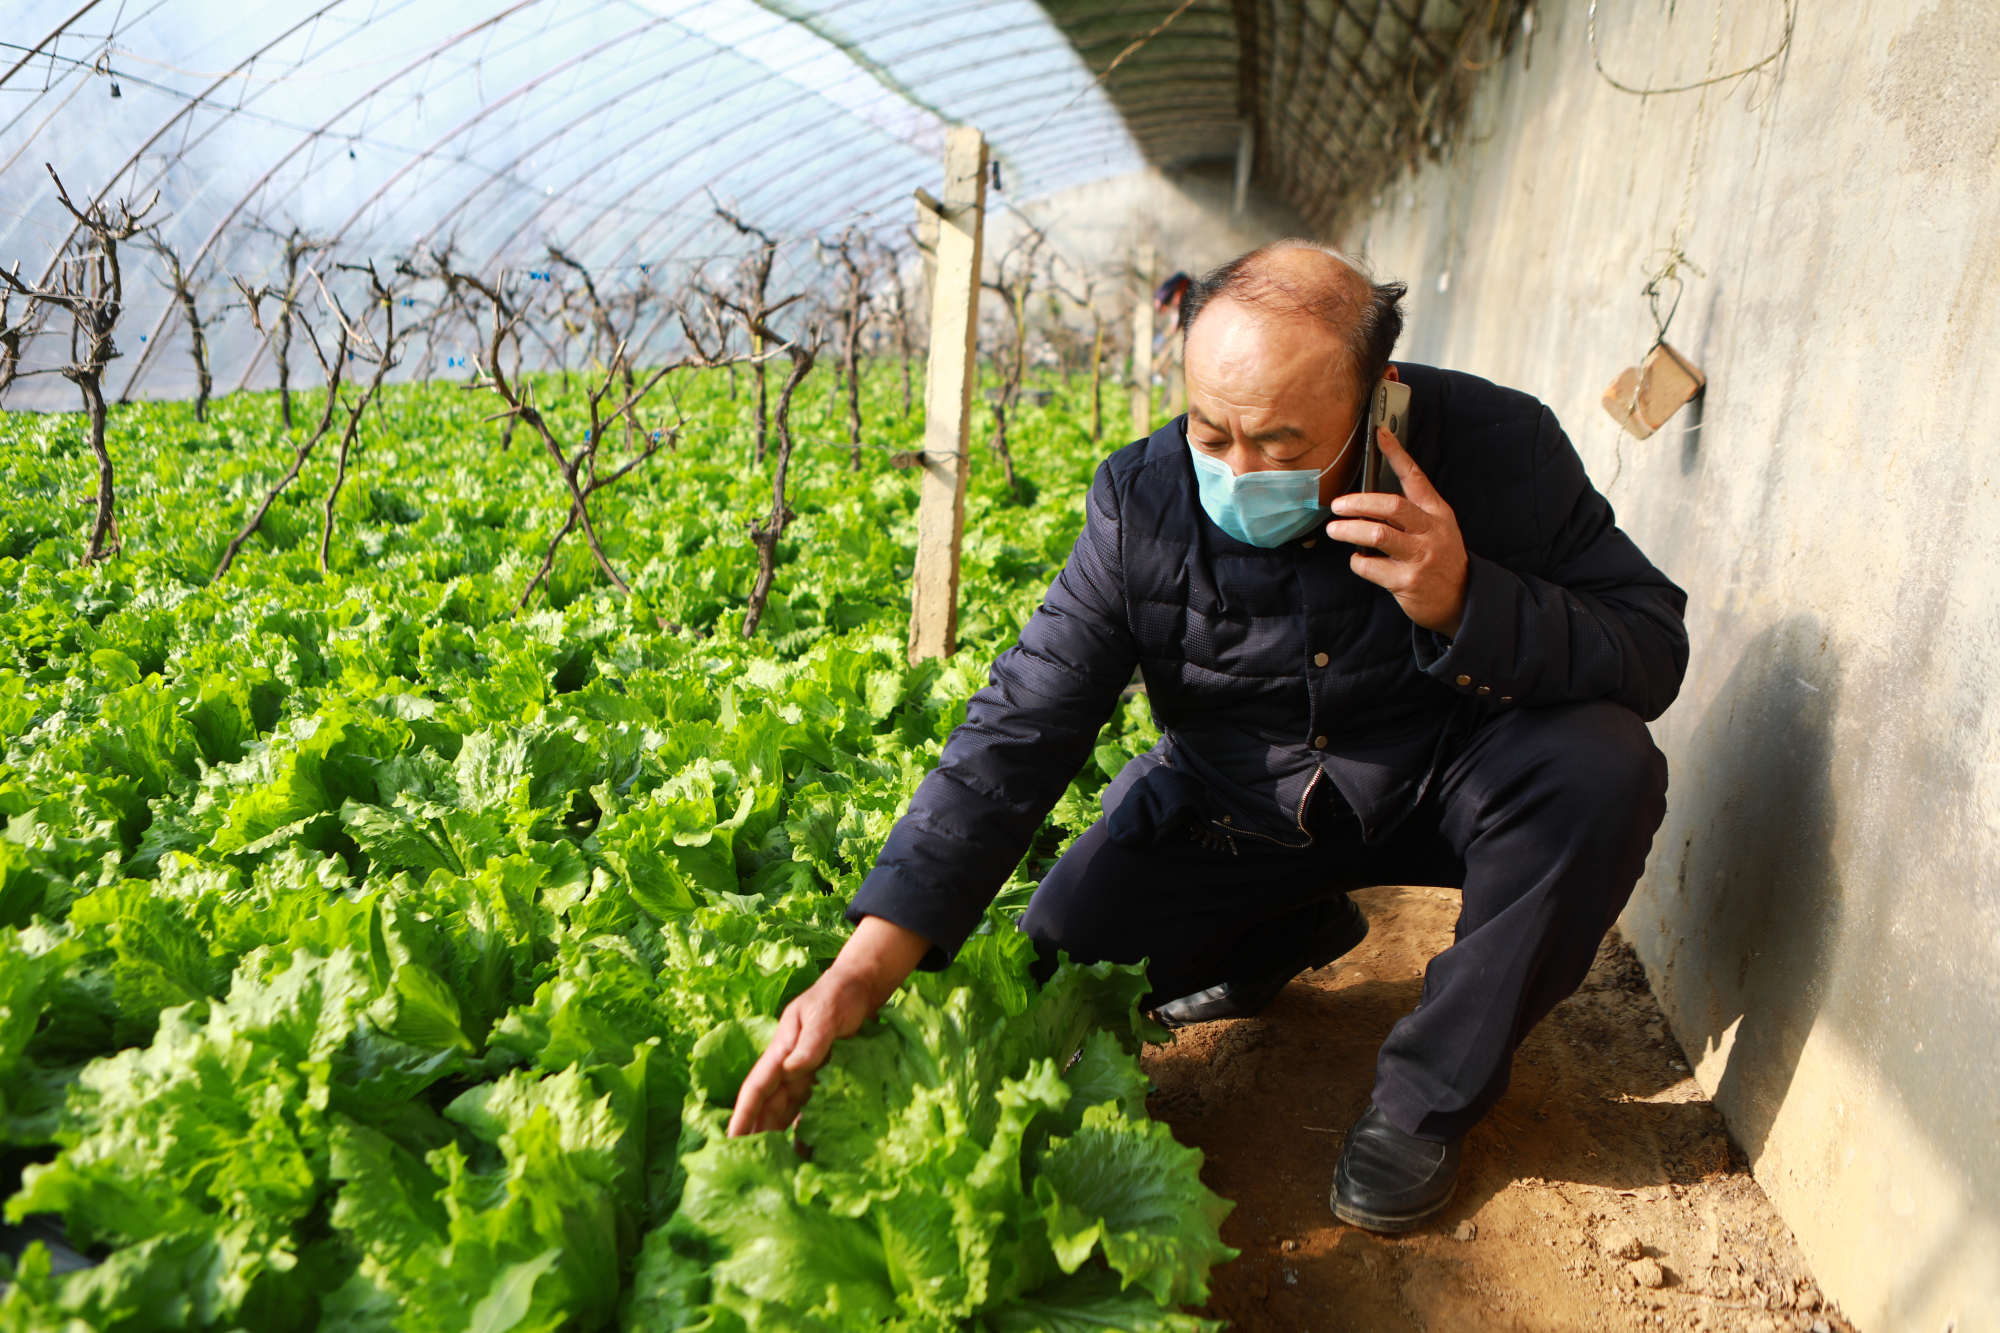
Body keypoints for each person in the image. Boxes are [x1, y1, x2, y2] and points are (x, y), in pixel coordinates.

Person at [730, 240, 1687, 1235]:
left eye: (1278, 443)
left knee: (1599, 766)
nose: (1235, 469)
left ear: (1377, 398)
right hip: (1243, 808)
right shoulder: (1140, 501)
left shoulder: (1499, 448)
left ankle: (1424, 1099)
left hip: (1448, 781)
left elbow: (1649, 645)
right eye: (1209, 430)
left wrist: (1467, 601)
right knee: (1069, 953)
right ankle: (1286, 927)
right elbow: (1019, 724)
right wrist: (862, 966)